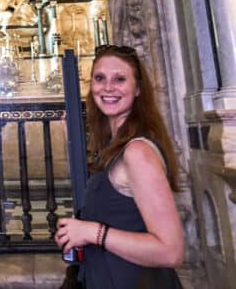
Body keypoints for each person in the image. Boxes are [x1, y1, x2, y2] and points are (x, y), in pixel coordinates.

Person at [55, 44, 184, 289]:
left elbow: (171, 251)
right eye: (100, 78)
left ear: (137, 88)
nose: (108, 87)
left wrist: (93, 233)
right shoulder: (115, 146)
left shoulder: (138, 152)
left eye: (120, 79)